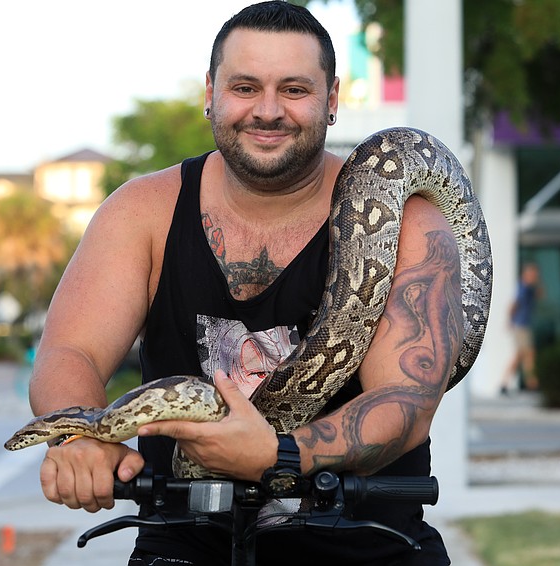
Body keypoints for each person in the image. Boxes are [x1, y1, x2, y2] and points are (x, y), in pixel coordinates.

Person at [28, 2, 462, 564]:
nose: (268, 110)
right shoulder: (142, 212)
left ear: (332, 101)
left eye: (295, 90)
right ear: (210, 92)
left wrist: (281, 455)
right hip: (185, 543)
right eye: (245, 86)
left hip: (370, 546)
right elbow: (71, 350)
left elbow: (404, 402)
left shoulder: (410, 223)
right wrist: (84, 434)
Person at [500, 262, 542, 394]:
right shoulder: (523, 288)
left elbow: (540, 294)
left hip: (524, 324)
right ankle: (532, 383)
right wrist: (510, 321)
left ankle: (507, 383)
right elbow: (514, 304)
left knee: (521, 355)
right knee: (528, 353)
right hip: (521, 325)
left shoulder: (528, 288)